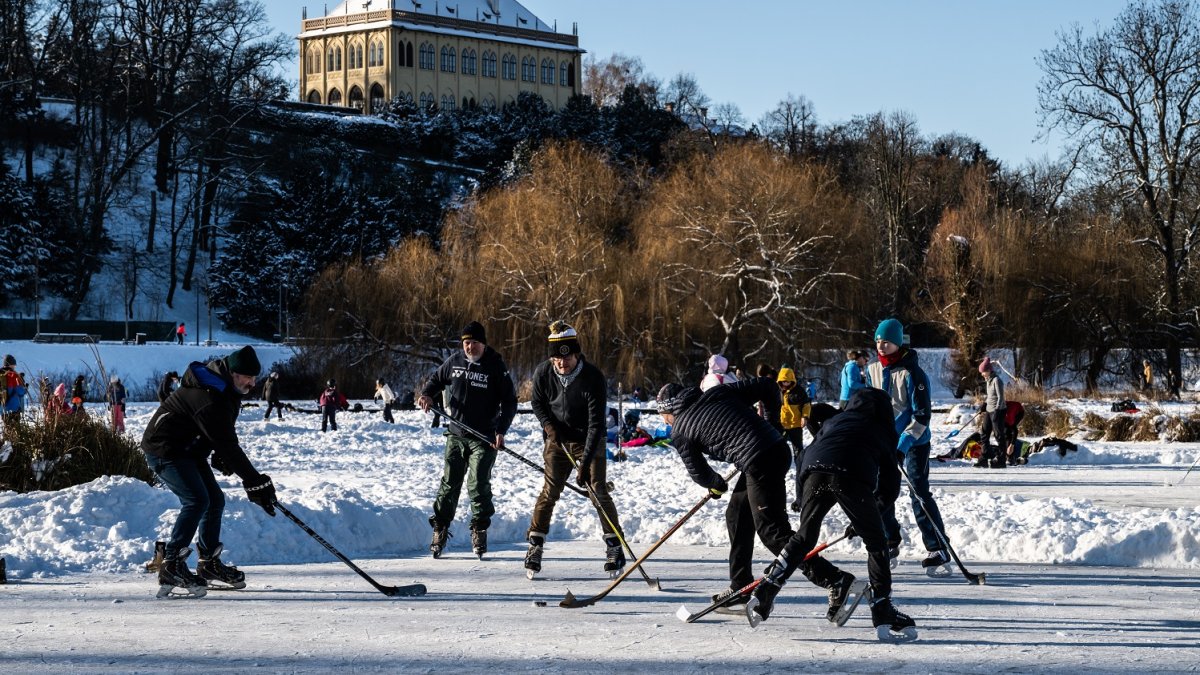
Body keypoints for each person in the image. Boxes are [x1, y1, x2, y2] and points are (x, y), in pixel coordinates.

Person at [749, 388, 915, 639]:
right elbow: (889, 488)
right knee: (876, 542)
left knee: (804, 537)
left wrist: (801, 497)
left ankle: (767, 589)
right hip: (850, 474)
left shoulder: (835, 420)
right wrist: (870, 517)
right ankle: (882, 608)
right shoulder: (882, 430)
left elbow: (803, 456)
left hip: (814, 472)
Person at [140, 345, 277, 598]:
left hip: (189, 449)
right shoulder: (209, 396)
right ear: (233, 373)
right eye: (248, 377)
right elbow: (226, 442)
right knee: (196, 500)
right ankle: (171, 564)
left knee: (214, 500)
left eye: (255, 377)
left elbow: (219, 435)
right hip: (165, 449)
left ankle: (208, 563)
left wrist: (219, 454)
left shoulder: (226, 390)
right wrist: (255, 482)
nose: (252, 383)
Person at [656, 376, 793, 613]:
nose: (666, 423)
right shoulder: (717, 393)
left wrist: (716, 484)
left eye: (663, 417)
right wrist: (772, 425)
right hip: (768, 452)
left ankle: (833, 579)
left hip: (760, 460)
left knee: (772, 532)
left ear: (668, 412)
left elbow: (700, 473)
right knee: (737, 515)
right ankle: (740, 586)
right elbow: (767, 385)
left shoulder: (680, 430)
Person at [525, 320, 624, 578]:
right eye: (556, 357)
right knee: (550, 491)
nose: (561, 362)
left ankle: (615, 546)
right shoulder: (543, 372)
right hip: (557, 440)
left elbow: (596, 425)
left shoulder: (592, 378)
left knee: (597, 490)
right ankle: (535, 544)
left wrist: (585, 464)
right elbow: (537, 402)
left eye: (566, 357)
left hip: (589, 439)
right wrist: (549, 426)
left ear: (576, 353)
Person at [417, 321, 517, 559]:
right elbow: (436, 379)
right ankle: (440, 529)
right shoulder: (454, 362)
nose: (469, 347)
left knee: (478, 483)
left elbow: (510, 401)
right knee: (449, 483)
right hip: (456, 434)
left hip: (484, 438)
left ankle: (479, 529)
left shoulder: (495, 365)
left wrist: (501, 430)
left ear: (483, 343)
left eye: (474, 342)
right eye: (466, 342)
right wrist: (427, 395)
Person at [866, 317, 953, 577]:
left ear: (898, 344)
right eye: (879, 341)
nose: (881, 347)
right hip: (883, 442)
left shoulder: (914, 373)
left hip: (914, 443)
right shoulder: (872, 370)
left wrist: (902, 445)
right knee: (880, 493)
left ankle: (937, 546)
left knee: (918, 491)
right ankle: (889, 541)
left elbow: (922, 417)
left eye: (888, 342)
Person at [776, 367, 810, 511]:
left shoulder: (799, 391)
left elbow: (807, 405)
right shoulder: (777, 392)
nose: (785, 384)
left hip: (795, 425)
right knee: (778, 446)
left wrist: (805, 416)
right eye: (783, 382)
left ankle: (800, 463)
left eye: (788, 382)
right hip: (781, 426)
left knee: (798, 448)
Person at [977, 357, 1007, 469]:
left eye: (983, 372)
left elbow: (1000, 397)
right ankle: (985, 457)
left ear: (989, 370)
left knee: (999, 435)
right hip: (989, 410)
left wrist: (998, 410)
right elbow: (990, 396)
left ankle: (1001, 460)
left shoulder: (996, 381)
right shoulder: (988, 381)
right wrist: (984, 405)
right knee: (984, 433)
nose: (982, 374)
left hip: (998, 410)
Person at [2, 354, 27, 420]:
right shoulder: (14, 375)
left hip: (3, 409)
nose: (14, 367)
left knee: (7, 428)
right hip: (14, 408)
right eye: (14, 365)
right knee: (15, 428)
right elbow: (20, 392)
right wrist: (25, 388)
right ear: (11, 365)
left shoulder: (1, 375)